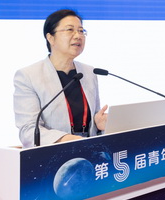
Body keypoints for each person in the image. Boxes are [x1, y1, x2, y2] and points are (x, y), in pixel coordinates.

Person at [13, 9, 108, 148]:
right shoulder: (28, 76)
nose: (78, 36)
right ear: (50, 38)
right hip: (53, 153)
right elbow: (28, 130)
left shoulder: (89, 72)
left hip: (88, 150)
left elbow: (91, 119)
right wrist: (67, 139)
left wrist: (99, 125)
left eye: (81, 31)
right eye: (70, 30)